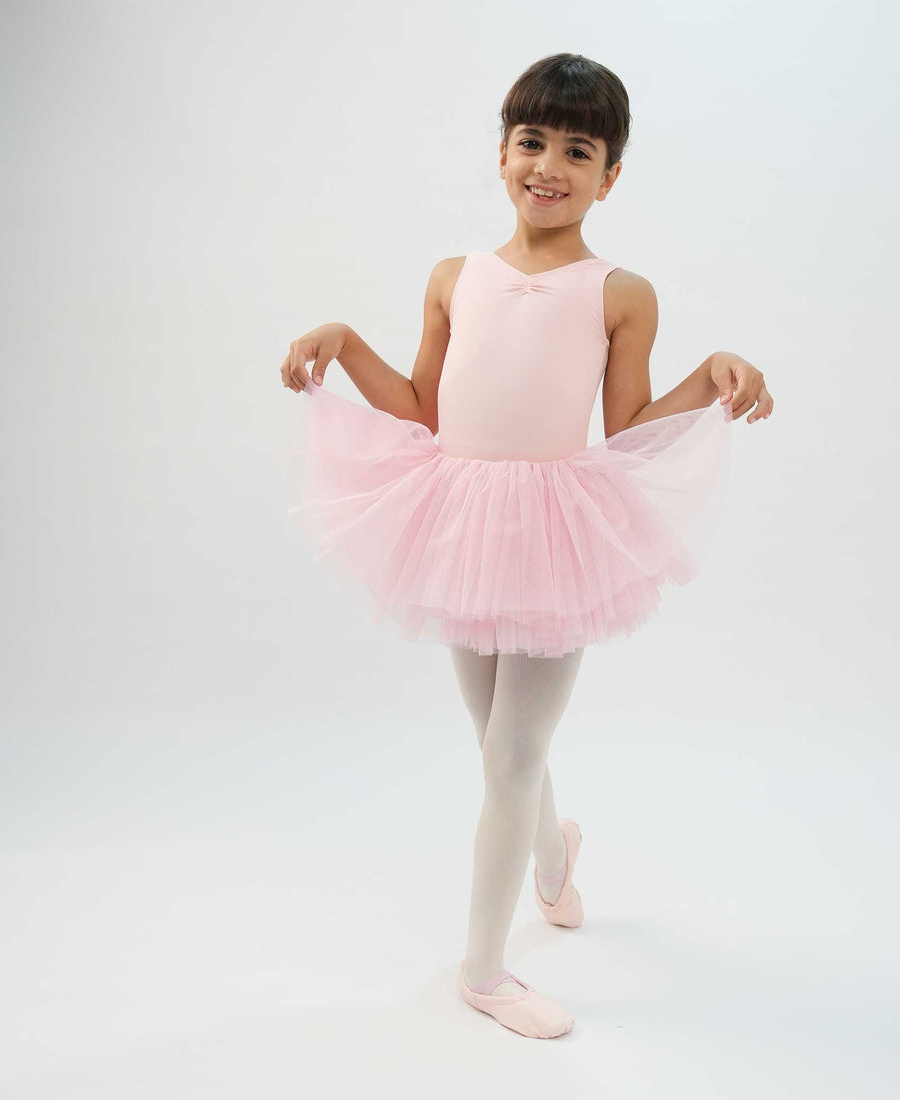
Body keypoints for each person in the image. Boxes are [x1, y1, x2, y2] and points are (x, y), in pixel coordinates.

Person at [280, 52, 773, 1039]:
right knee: (496, 741)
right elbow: (421, 406)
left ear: (609, 175)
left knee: (513, 748)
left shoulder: (618, 291)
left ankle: (482, 969)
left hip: (555, 528)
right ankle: (553, 860)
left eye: (576, 150)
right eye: (531, 142)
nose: (547, 165)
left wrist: (710, 371)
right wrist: (342, 337)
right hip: (457, 516)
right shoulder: (454, 277)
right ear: (501, 151)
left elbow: (627, 423)